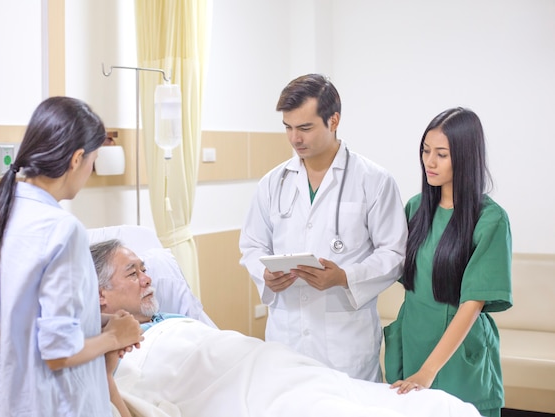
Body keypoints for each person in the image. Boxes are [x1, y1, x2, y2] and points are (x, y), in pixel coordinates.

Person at [89, 239, 483, 417]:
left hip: (272, 366)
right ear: (100, 295)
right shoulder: (112, 354)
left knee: (440, 407)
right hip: (232, 394)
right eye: (133, 272)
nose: (147, 278)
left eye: (145, 268)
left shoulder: (174, 321)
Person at [0, 96, 144, 417]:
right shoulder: (62, 230)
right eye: (93, 161)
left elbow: (26, 320)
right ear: (77, 159)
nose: (90, 172)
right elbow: (58, 353)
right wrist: (113, 337)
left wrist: (102, 321)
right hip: (54, 405)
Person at [238, 73, 408, 382]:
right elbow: (252, 244)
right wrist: (265, 275)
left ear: (333, 120)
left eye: (305, 128)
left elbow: (394, 253)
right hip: (286, 337)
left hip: (345, 343)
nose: (295, 139)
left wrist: (345, 276)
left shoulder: (373, 180)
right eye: (288, 128)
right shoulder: (273, 183)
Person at [383, 107, 513, 417]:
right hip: (414, 342)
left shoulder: (490, 219)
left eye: (441, 154)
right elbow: (388, 263)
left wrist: (427, 372)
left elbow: (472, 304)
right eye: (426, 151)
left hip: (457, 356)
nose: (429, 161)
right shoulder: (416, 208)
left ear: (467, 157)